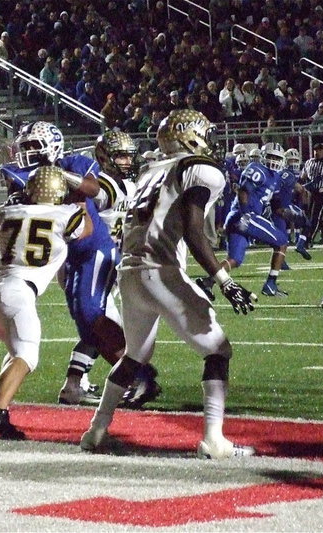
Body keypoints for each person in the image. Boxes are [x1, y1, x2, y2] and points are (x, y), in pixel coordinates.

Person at [81, 109, 257, 460]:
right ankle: (213, 439)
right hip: (160, 270)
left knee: (134, 357)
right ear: (188, 135)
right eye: (204, 133)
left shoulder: (150, 169)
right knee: (218, 350)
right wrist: (223, 279)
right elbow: (193, 229)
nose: (209, 140)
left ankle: (96, 431)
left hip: (129, 273)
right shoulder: (198, 169)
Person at [0, 166, 90, 439]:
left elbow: (9, 213)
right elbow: (85, 230)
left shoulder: (7, 212)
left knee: (16, 351)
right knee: (27, 355)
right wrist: (82, 204)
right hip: (18, 294)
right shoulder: (65, 215)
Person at [56, 130, 161, 408]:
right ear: (105, 156)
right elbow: (87, 201)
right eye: (121, 155)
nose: (127, 161)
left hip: (111, 262)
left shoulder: (128, 185)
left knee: (97, 328)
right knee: (105, 326)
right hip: (91, 260)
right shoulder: (103, 184)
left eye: (129, 154)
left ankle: (73, 385)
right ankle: (135, 379)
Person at [196, 143, 290, 298]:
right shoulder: (258, 169)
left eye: (277, 158)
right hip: (246, 215)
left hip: (238, 218)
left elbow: (275, 202)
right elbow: (243, 192)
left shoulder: (275, 177)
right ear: (263, 157)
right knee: (282, 242)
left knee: (234, 260)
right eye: (271, 156)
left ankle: (207, 283)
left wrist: (289, 212)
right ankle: (271, 284)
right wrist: (246, 214)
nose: (273, 160)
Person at [275, 148, 311, 259]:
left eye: (296, 160)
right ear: (285, 161)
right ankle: (300, 245)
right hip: (285, 206)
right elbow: (299, 189)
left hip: (275, 206)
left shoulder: (279, 173)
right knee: (307, 223)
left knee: (281, 236)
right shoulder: (289, 175)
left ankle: (282, 263)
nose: (294, 163)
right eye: (291, 160)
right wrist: (311, 185)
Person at [301, 143, 323, 245]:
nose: (317, 152)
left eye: (320, 150)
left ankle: (309, 238)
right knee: (311, 215)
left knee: (317, 215)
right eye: (315, 150)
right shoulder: (309, 162)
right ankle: (309, 237)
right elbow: (302, 177)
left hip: (322, 191)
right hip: (311, 192)